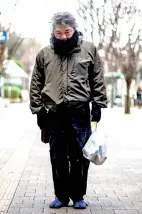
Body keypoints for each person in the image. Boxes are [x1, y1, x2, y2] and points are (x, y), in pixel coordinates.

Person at [29, 12, 107, 209]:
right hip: (54, 113)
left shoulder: (88, 49)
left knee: (80, 156)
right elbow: (36, 83)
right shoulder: (45, 54)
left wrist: (98, 104)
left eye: (67, 32)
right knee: (57, 156)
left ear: (74, 30)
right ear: (53, 32)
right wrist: (38, 110)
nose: (63, 36)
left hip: (80, 113)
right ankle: (61, 196)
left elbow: (97, 77)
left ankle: (78, 196)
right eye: (59, 32)